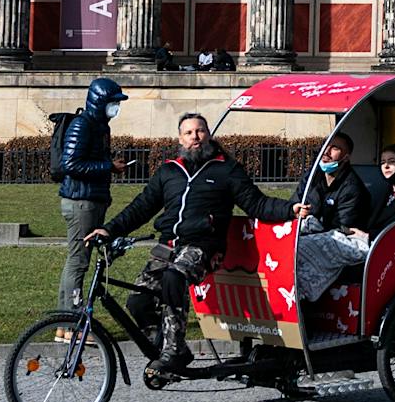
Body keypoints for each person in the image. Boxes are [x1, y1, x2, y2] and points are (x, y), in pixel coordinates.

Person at [87, 111, 295, 373]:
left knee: (175, 278)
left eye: (200, 131)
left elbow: (258, 203)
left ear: (208, 135)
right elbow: (141, 207)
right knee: (138, 302)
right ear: (180, 139)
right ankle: (172, 349)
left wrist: (291, 209)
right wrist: (108, 230)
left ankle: (173, 351)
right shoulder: (169, 170)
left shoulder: (226, 169)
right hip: (168, 245)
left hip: (204, 246)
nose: (195, 137)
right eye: (189, 132)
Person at [54, 77, 126, 317]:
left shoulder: (100, 126)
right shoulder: (82, 125)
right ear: (99, 101)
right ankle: (71, 317)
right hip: (80, 202)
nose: (116, 107)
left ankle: (68, 317)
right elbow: (71, 164)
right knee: (79, 260)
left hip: (91, 199)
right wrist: (108, 167)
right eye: (113, 102)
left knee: (78, 259)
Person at [293, 131, 373, 301]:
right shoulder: (312, 177)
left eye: (334, 148)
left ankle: (300, 300)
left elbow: (344, 227)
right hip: (313, 231)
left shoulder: (352, 188)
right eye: (325, 147)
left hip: (343, 239)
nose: (327, 152)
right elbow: (293, 204)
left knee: (300, 249)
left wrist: (313, 224)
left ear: (346, 157)